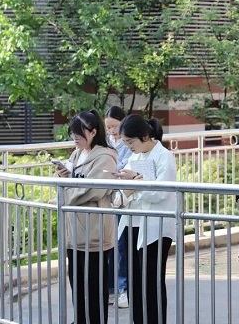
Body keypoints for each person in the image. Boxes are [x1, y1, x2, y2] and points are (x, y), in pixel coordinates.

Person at [113, 115, 176, 324]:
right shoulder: (135, 157)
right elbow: (127, 191)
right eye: (125, 142)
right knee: (134, 282)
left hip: (155, 227)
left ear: (145, 136)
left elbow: (162, 192)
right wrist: (126, 189)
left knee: (152, 282)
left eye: (131, 141)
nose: (128, 146)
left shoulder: (163, 156)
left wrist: (136, 183)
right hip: (133, 223)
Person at [56, 110, 117, 324]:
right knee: (77, 283)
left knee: (94, 286)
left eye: (79, 134)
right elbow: (75, 183)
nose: (75, 138)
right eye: (73, 134)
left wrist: (65, 195)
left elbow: (94, 189)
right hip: (74, 232)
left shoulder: (105, 157)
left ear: (93, 132)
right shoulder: (77, 153)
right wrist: (63, 176)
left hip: (94, 233)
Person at [104, 106, 132, 308]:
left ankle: (123, 288)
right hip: (109, 196)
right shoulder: (107, 142)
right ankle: (111, 288)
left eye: (115, 126)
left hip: (123, 196)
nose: (112, 131)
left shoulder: (129, 143)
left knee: (121, 245)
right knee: (110, 244)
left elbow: (127, 167)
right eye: (108, 127)